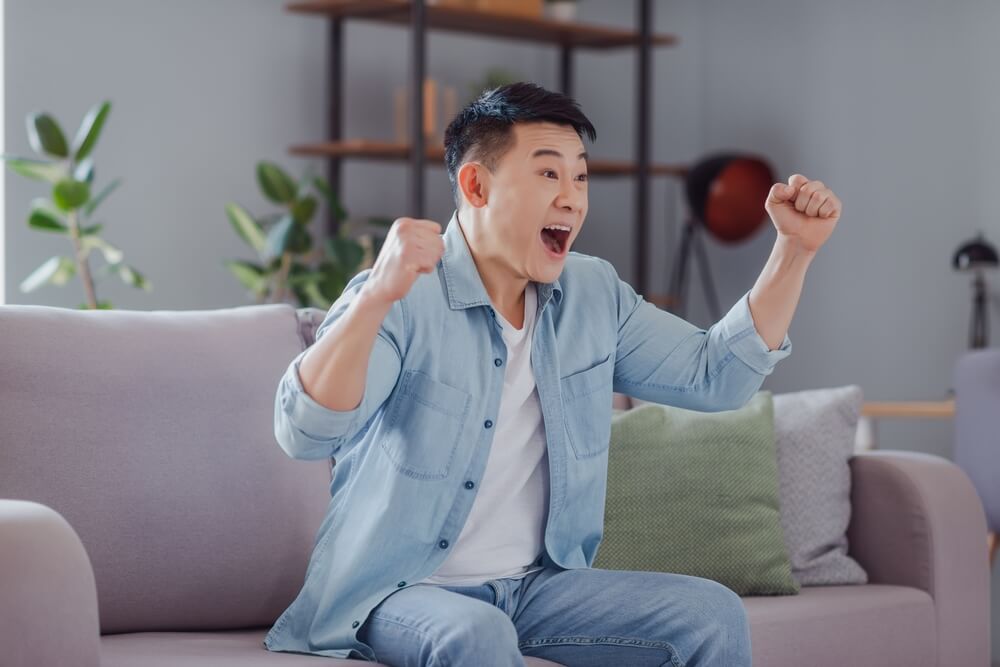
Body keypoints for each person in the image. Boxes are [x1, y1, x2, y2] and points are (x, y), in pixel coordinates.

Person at [263, 82, 841, 666]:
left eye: (580, 177)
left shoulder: (593, 294)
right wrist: (376, 298)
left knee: (710, 615)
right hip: (397, 593)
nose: (572, 198)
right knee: (477, 634)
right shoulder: (403, 295)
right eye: (548, 175)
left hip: (539, 588)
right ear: (476, 185)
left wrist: (793, 251)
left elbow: (718, 377)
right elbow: (306, 433)